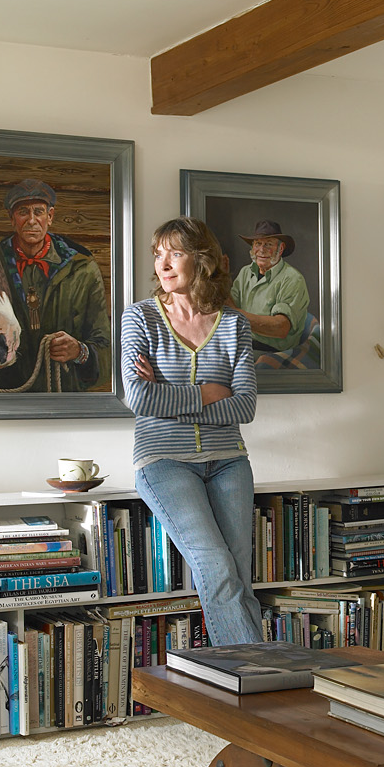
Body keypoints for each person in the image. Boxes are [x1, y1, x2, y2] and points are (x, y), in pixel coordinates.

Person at [121, 217, 262, 647]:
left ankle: (253, 671)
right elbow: (138, 398)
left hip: (229, 462)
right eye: (158, 254)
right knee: (215, 565)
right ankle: (253, 671)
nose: (163, 264)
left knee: (239, 573)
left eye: (175, 253)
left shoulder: (233, 325)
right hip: (165, 463)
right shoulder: (140, 318)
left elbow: (245, 406)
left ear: (201, 260)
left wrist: (168, 398)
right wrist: (205, 393)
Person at [0, 179, 111, 391]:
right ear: (11, 219)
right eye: (23, 212)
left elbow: (104, 346)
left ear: (50, 217)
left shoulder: (82, 270)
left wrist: (80, 352)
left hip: (62, 397)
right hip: (3, 395)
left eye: (38, 212)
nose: (32, 220)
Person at [228, 219, 310, 355]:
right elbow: (229, 307)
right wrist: (222, 277)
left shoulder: (293, 279)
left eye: (268, 244)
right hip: (244, 344)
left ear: (281, 248)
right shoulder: (245, 272)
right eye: (258, 243)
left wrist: (237, 315)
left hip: (273, 352)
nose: (261, 250)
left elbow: (280, 328)